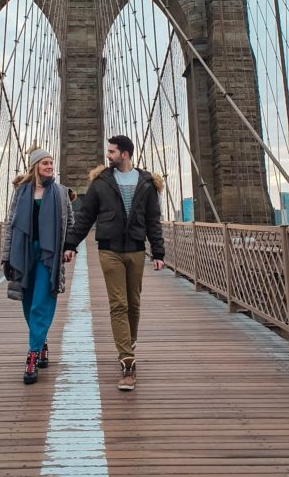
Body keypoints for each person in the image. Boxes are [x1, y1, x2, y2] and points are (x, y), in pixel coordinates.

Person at [63, 135, 164, 391]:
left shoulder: (147, 183)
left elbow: (153, 219)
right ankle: (127, 361)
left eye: (111, 152)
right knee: (119, 304)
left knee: (134, 303)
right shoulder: (101, 183)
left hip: (136, 250)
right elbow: (85, 217)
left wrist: (159, 252)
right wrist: (70, 244)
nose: (107, 155)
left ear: (125, 154)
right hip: (109, 250)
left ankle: (128, 342)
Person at [2, 147, 74, 384]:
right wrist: (5, 256)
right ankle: (41, 341)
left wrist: (68, 247)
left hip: (48, 255)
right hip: (23, 252)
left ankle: (32, 355)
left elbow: (71, 223)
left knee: (41, 302)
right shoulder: (21, 192)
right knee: (28, 300)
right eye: (45, 163)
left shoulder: (62, 193)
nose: (50, 166)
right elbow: (10, 224)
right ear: (35, 166)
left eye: (52, 163)